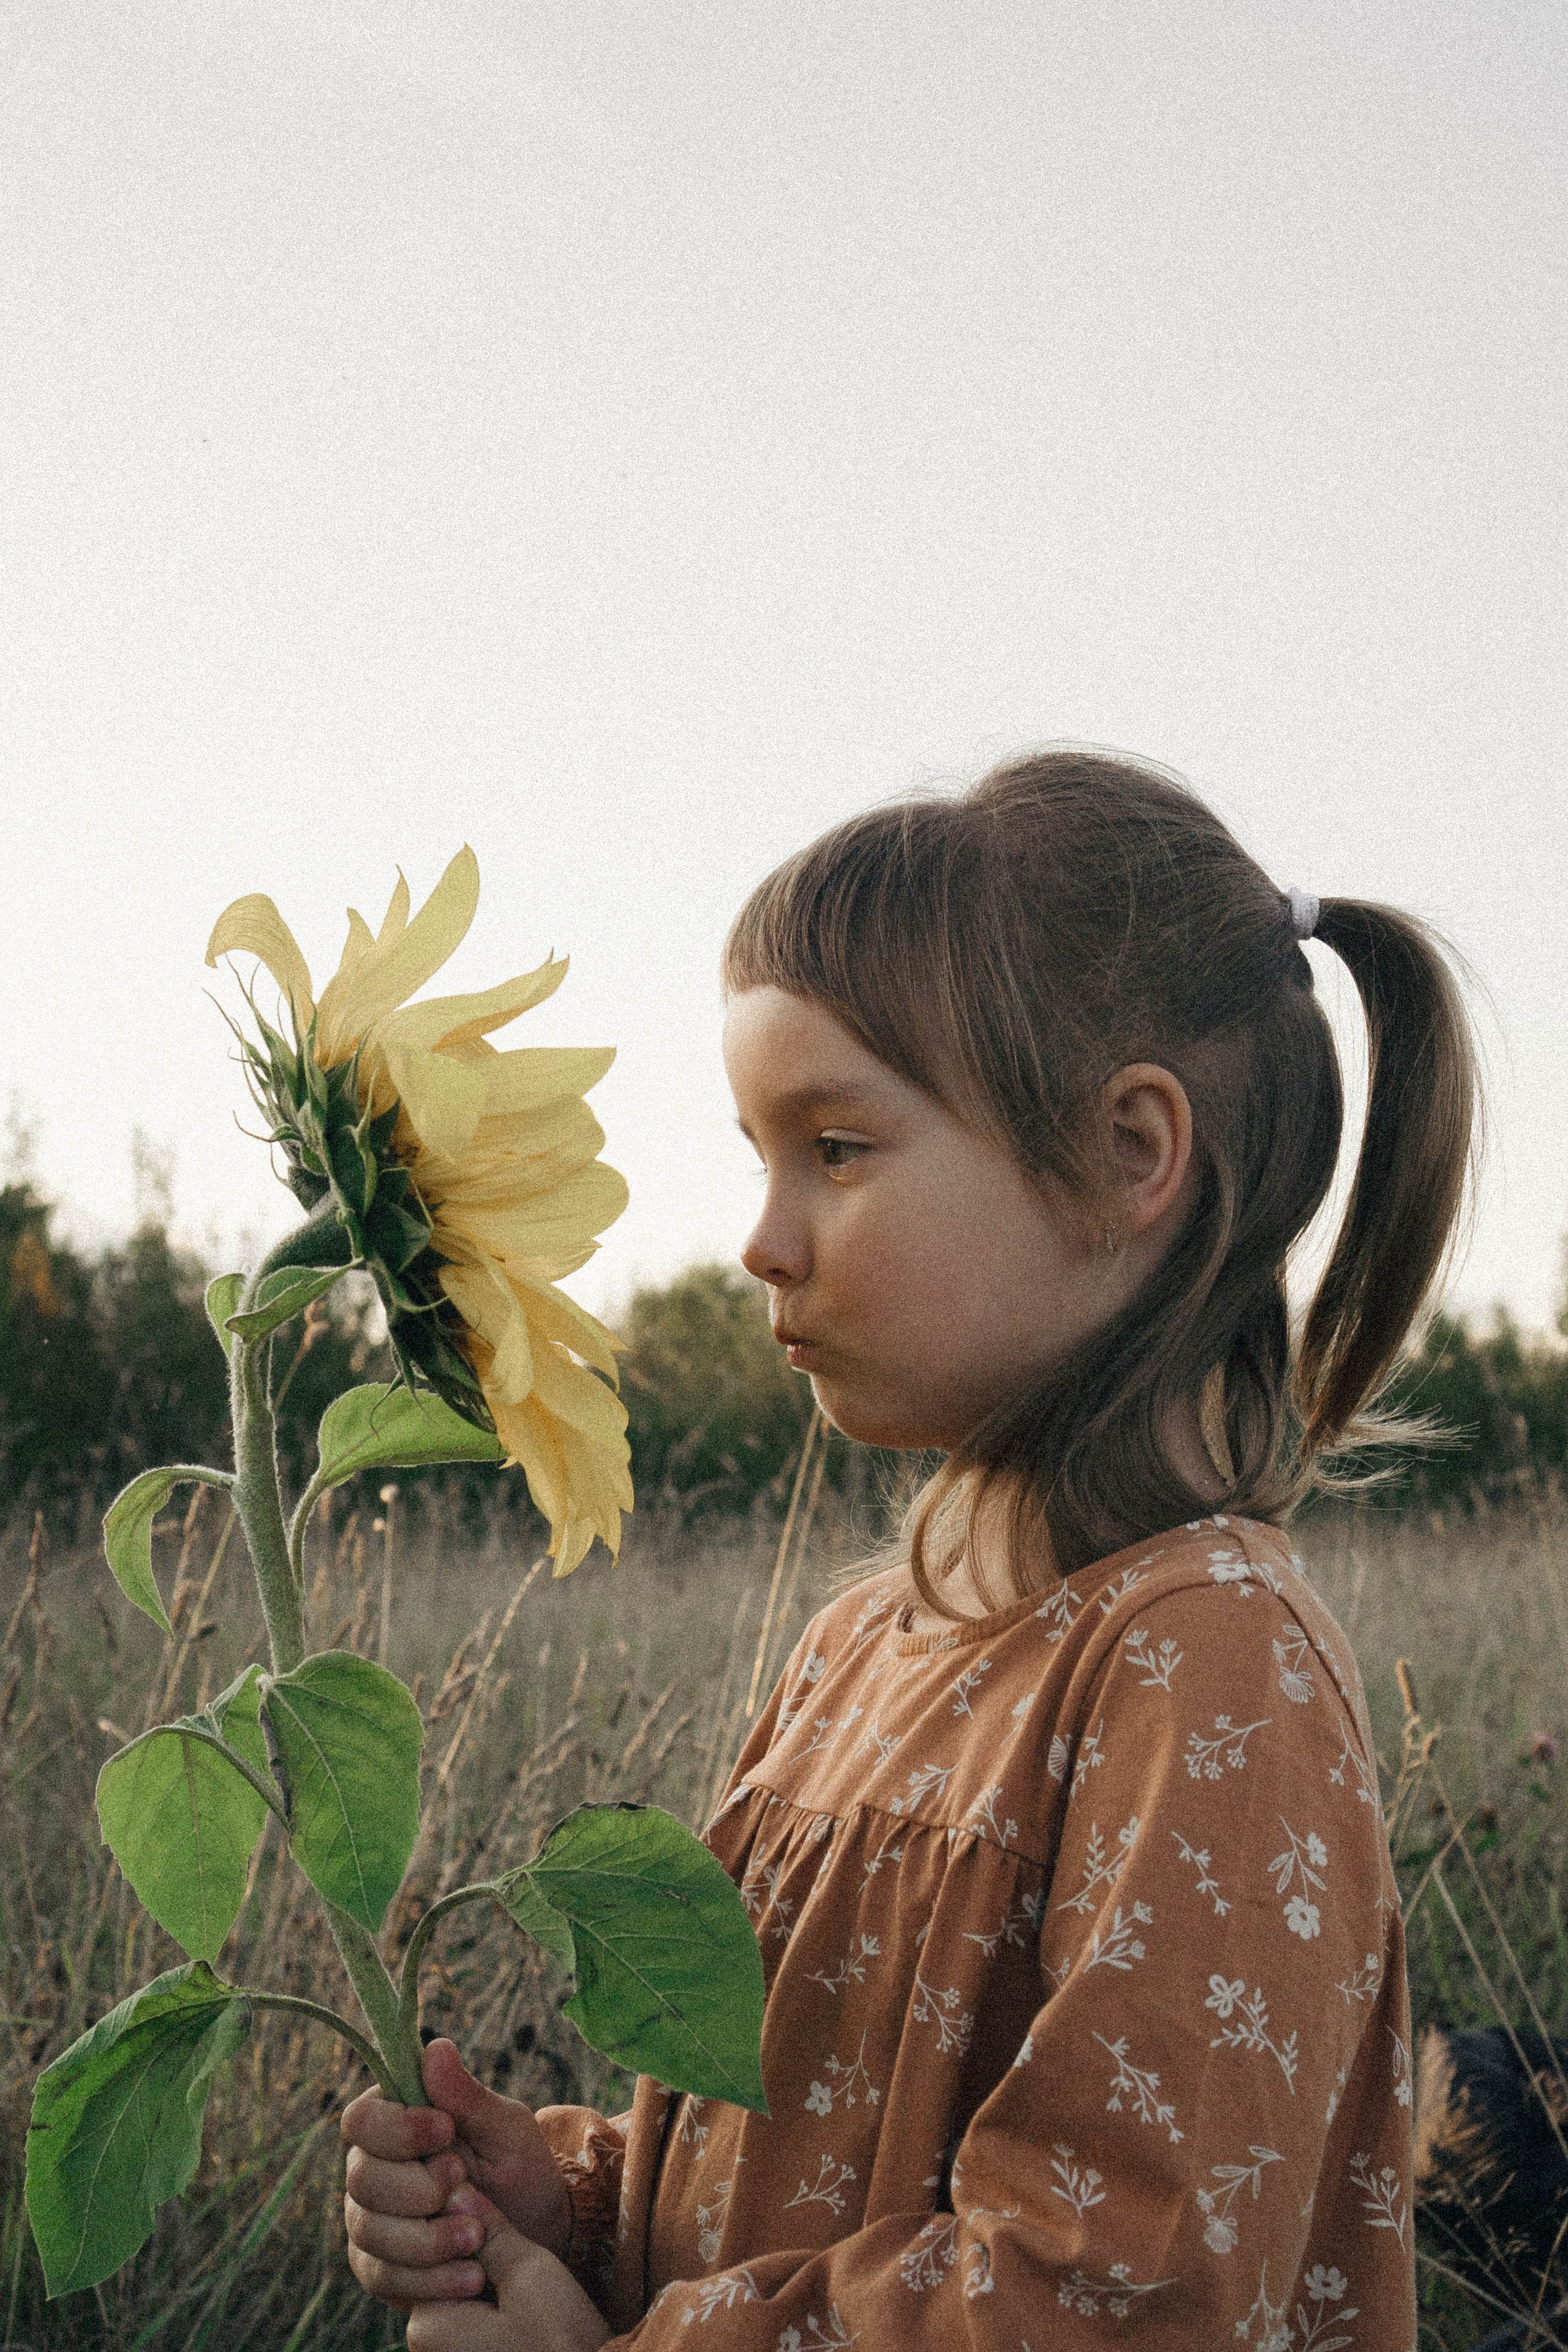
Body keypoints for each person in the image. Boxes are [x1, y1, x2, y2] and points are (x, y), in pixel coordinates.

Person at [341, 748, 1478, 2349]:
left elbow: (1115, 2293)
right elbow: (779, 2155)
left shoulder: (1206, 1662)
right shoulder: (865, 1644)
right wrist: (576, 2208)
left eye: (840, 1149)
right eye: (758, 1153)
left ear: (1128, 1157)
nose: (762, 1239)